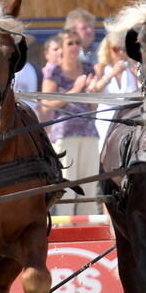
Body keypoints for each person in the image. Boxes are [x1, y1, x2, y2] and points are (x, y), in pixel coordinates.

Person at [39, 30, 99, 215]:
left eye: (76, 43)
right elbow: (46, 104)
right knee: (67, 184)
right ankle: (66, 230)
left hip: (89, 132)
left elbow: (93, 106)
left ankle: (91, 235)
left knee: (89, 184)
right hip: (64, 133)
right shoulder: (54, 71)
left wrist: (91, 91)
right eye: (69, 43)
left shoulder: (89, 68)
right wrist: (76, 90)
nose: (74, 47)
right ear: (62, 48)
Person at [89, 31, 140, 153]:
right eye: (116, 49)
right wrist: (112, 74)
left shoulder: (132, 69)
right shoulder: (101, 68)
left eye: (123, 49)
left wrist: (136, 74)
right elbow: (94, 90)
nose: (121, 53)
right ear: (108, 49)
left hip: (128, 119)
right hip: (106, 118)